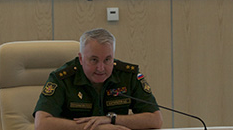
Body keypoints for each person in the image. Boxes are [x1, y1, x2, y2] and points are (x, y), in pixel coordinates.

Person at [34, 28, 164, 130]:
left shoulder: (128, 76)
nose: (101, 68)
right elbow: (41, 124)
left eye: (107, 60)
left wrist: (111, 120)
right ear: (81, 59)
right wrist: (94, 127)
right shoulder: (62, 78)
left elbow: (155, 120)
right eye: (94, 60)